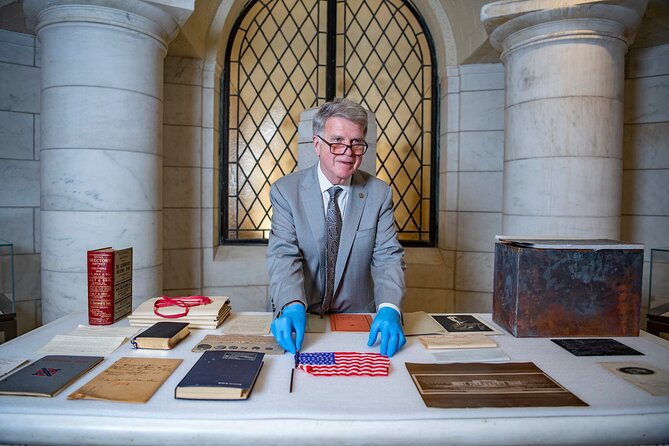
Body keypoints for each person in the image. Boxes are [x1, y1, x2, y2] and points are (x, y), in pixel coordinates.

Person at [267, 98, 406, 357]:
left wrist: (389, 308)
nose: (348, 152)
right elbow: (283, 255)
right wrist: (292, 306)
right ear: (317, 145)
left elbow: (388, 257)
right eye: (337, 141)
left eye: (356, 143)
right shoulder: (286, 192)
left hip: (358, 326)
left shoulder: (379, 194)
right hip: (301, 320)